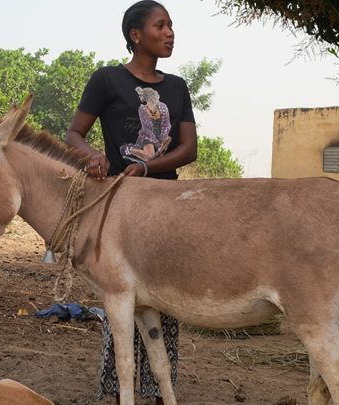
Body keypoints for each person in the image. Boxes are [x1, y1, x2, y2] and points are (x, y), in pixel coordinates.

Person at [64, 1, 198, 404]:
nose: (170, 32)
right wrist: (93, 157)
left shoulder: (177, 86)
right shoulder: (106, 80)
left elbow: (189, 148)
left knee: (164, 296)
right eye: (161, 25)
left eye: (172, 25)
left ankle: (161, 391)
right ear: (136, 35)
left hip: (165, 205)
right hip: (118, 204)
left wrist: (149, 166)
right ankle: (116, 389)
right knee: (119, 296)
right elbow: (74, 134)